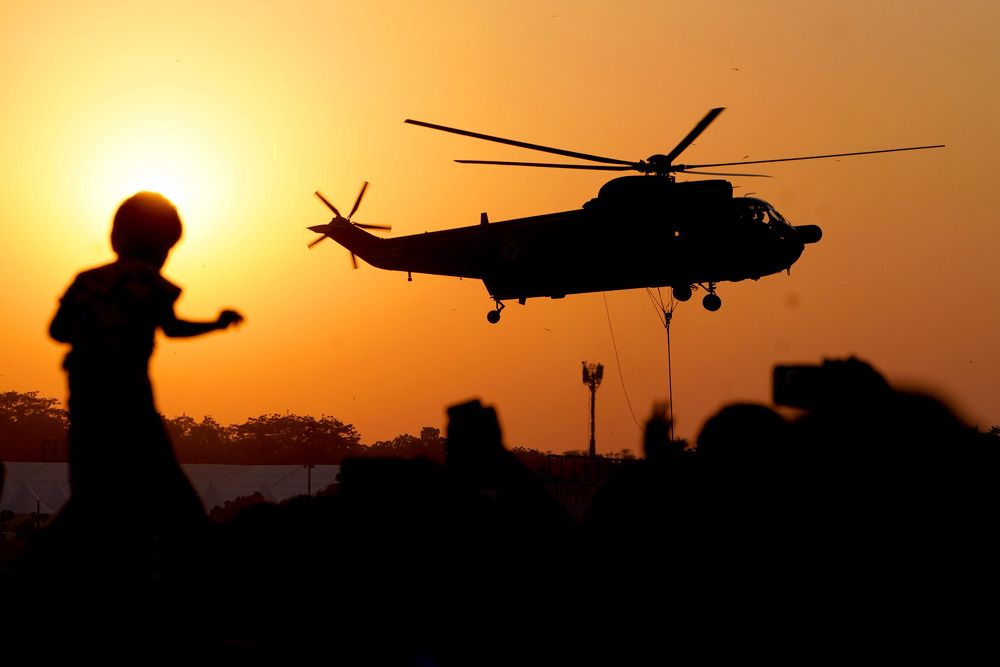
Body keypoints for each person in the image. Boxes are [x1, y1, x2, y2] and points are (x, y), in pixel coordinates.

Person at [48, 191, 243, 579]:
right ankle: (192, 573)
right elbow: (173, 328)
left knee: (92, 488)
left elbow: (56, 330)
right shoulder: (153, 284)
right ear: (163, 247)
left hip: (85, 396)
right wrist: (218, 324)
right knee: (171, 491)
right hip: (130, 396)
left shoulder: (87, 281)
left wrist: (94, 330)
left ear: (115, 238)